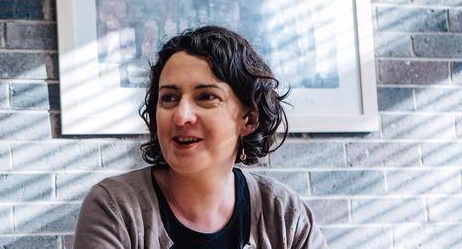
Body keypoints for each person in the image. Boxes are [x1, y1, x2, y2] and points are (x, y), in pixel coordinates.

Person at [74, 26, 327, 249]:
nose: (181, 116)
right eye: (169, 98)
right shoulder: (115, 207)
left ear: (248, 119)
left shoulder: (283, 213)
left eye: (206, 97)